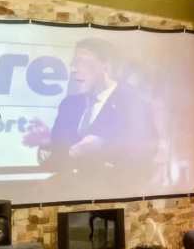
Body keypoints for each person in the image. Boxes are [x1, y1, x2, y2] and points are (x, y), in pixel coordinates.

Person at [21, 37, 152, 180]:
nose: (73, 68)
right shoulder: (69, 104)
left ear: (105, 64)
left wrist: (81, 152)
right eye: (74, 62)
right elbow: (53, 160)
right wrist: (46, 143)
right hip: (67, 192)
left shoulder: (132, 102)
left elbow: (140, 159)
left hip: (112, 194)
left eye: (81, 61)